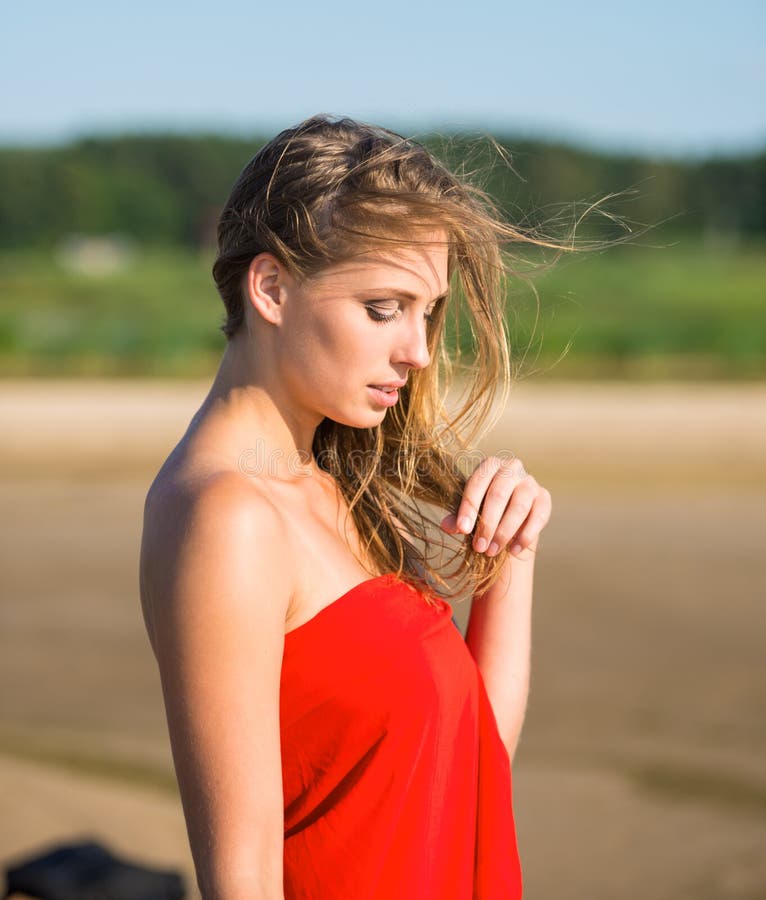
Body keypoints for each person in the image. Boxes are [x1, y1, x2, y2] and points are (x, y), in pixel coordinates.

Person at [139, 114, 552, 900]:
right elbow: (245, 878)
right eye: (382, 307)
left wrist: (510, 559)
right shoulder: (228, 520)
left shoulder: (334, 485)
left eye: (426, 311)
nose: (420, 350)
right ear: (271, 287)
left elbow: (467, 768)